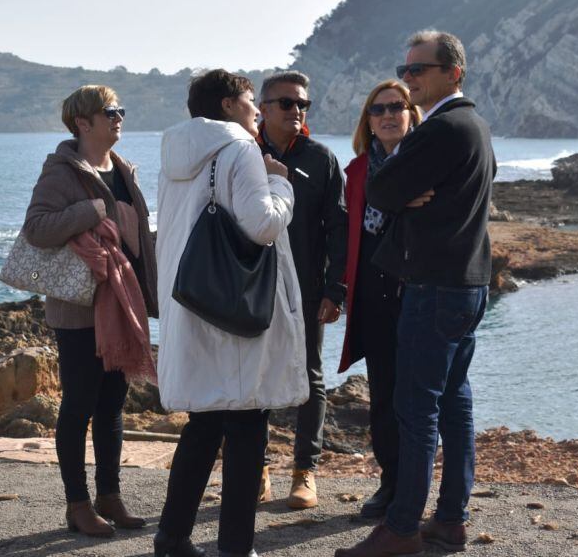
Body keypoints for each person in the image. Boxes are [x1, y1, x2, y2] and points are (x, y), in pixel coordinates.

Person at [336, 32, 496, 557]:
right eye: (404, 70)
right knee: (454, 403)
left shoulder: (443, 127)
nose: (409, 79)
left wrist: (401, 192)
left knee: (416, 407)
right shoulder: (476, 127)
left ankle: (402, 527)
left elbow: (381, 190)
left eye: (418, 71)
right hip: (469, 283)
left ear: (453, 72)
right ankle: (450, 520)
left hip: (432, 286)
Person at [154, 69, 307, 557]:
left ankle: (172, 538)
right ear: (226, 105)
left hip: (193, 300)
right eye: (248, 100)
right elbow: (261, 225)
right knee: (246, 426)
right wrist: (282, 186)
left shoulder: (175, 155)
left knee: (203, 425)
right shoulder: (240, 148)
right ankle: (236, 548)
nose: (257, 110)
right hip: (233, 309)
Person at [22, 85, 158, 538]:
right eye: (110, 111)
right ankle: (77, 505)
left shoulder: (123, 169)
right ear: (83, 122)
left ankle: (110, 496)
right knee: (79, 404)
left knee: (113, 405)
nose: (119, 116)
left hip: (121, 303)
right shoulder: (61, 172)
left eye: (121, 108)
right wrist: (90, 210)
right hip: (80, 309)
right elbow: (37, 228)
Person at [254, 70, 348, 509]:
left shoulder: (322, 158)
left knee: (309, 376)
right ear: (264, 109)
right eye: (287, 103)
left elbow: (340, 229)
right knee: (253, 376)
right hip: (251, 289)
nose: (297, 111)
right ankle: (257, 470)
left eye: (303, 104)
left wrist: (336, 289)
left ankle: (304, 473)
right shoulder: (243, 154)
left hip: (307, 292)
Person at [335, 80, 422, 520]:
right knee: (383, 396)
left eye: (397, 107)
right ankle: (390, 483)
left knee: (420, 397)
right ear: (368, 121)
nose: (388, 115)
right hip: (371, 296)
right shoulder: (357, 170)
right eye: (378, 109)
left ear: (411, 113)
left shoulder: (425, 163)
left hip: (418, 293)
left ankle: (416, 488)